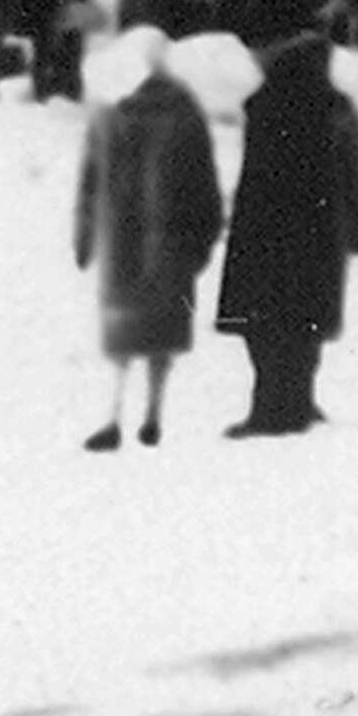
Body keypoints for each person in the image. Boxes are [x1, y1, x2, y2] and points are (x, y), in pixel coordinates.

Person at [214, 27, 358, 435]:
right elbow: (354, 169)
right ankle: (296, 402)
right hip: (319, 232)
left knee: (264, 325)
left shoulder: (264, 104)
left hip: (263, 231)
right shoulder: (335, 107)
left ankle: (271, 407)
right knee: (305, 324)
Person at [73, 26, 223, 449]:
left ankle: (113, 414)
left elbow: (89, 182)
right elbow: (204, 181)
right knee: (161, 335)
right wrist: (204, 237)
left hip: (120, 242)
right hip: (170, 243)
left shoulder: (107, 112)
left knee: (120, 336)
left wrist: (84, 237)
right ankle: (153, 414)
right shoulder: (185, 111)